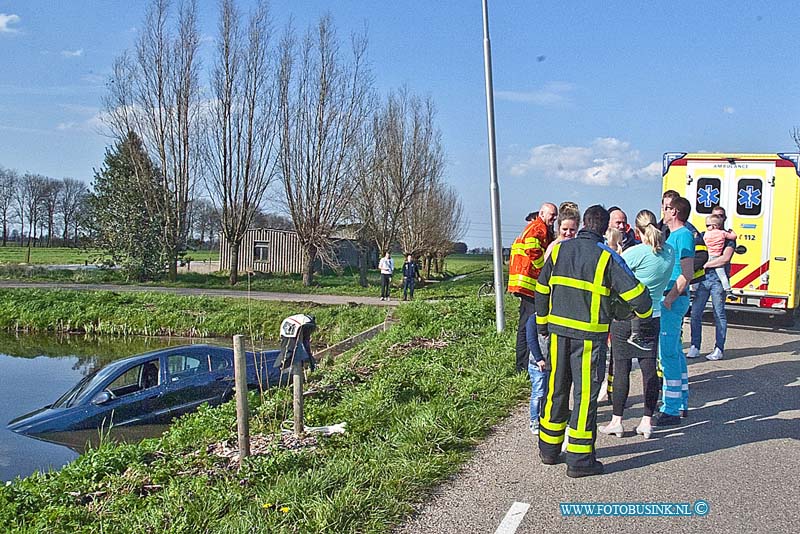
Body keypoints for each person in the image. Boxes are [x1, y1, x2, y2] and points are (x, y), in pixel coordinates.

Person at [535, 205, 652, 478]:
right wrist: (642, 316)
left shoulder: (560, 250)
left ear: (584, 224)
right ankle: (579, 459)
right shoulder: (606, 257)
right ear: (604, 230)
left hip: (557, 334)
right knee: (585, 397)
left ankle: (549, 450)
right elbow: (639, 298)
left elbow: (541, 288)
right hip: (589, 339)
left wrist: (542, 324)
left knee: (556, 390)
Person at [600, 210, 674, 439]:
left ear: (638, 230)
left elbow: (612, 274)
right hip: (653, 315)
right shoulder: (670, 252)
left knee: (621, 368)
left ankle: (617, 421)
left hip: (626, 317)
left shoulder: (635, 253)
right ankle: (647, 420)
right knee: (649, 369)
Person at [655, 195, 695, 426]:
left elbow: (686, 273)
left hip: (673, 298)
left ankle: (670, 408)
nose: (664, 211)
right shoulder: (675, 236)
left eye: (667, 208)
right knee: (676, 352)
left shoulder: (683, 236)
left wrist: (669, 299)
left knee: (667, 353)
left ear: (675, 212)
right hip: (672, 297)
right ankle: (680, 402)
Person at [508, 203, 557, 373]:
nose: (554, 218)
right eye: (552, 214)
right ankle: (524, 365)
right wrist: (544, 269)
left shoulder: (534, 227)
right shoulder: (538, 227)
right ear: (542, 213)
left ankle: (522, 364)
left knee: (525, 325)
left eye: (555, 215)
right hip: (530, 283)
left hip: (523, 282)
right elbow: (532, 249)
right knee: (530, 325)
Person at [688, 206, 735, 361]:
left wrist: (706, 264)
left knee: (719, 313)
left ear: (724, 219)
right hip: (702, 279)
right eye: (715, 216)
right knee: (695, 313)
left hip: (717, 280)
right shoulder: (703, 235)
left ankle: (719, 348)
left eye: (721, 216)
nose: (718, 218)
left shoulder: (728, 238)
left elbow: (725, 258)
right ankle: (695, 346)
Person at [525, 312, 547, 436]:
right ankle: (535, 420)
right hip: (537, 364)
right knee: (538, 393)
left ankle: (547, 416)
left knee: (550, 392)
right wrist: (539, 359)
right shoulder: (533, 319)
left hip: (551, 363)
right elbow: (531, 340)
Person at [702, 214, 737, 292]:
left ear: (714, 226)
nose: (706, 227)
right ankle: (727, 289)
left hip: (707, 256)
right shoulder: (722, 233)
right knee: (722, 275)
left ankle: (694, 289)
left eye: (707, 225)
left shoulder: (706, 234)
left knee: (699, 271)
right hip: (717, 256)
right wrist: (731, 231)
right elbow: (734, 237)